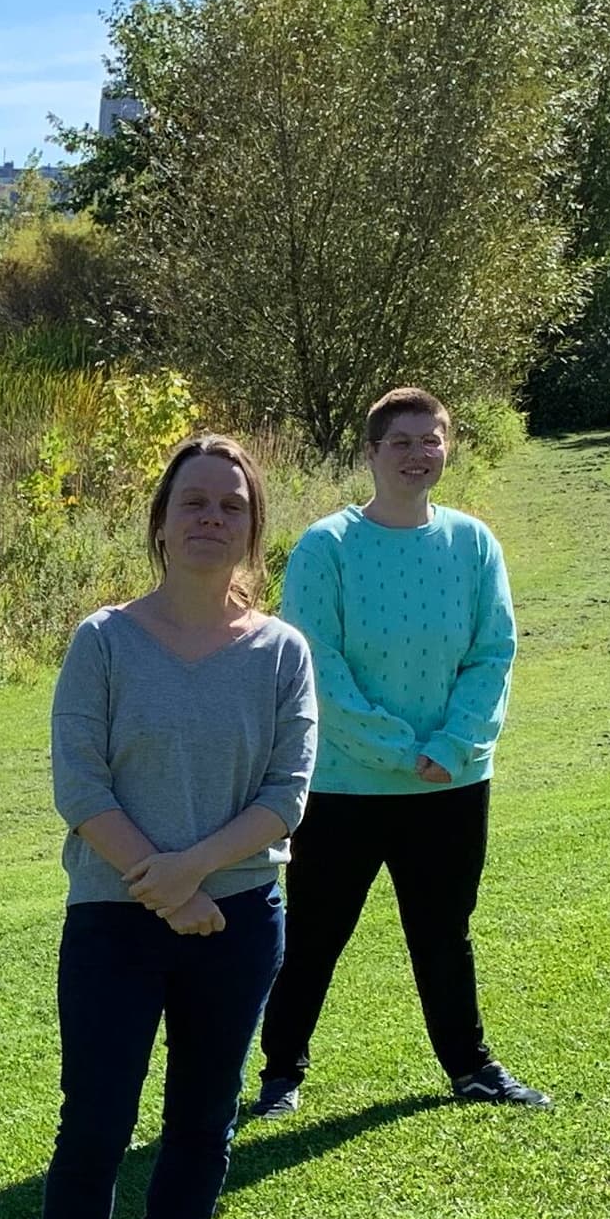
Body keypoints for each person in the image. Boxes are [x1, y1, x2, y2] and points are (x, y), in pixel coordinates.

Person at [41, 433, 317, 1219]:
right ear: (160, 524)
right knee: (97, 1120)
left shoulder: (283, 651)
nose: (210, 518)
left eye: (229, 506)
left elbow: (288, 795)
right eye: (192, 502)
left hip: (235, 924)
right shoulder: (104, 640)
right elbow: (79, 782)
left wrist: (187, 878)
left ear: (252, 530)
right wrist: (161, 887)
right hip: (112, 920)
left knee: (203, 1123)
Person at [249, 385, 548, 1116]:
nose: (419, 455)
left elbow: (493, 653)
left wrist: (449, 747)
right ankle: (280, 1073)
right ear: (371, 453)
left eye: (432, 440)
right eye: (402, 442)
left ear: (449, 448)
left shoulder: (475, 543)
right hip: (345, 786)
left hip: (450, 781)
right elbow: (317, 662)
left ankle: (471, 1067)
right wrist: (397, 749)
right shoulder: (328, 546)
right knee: (315, 935)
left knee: (444, 933)